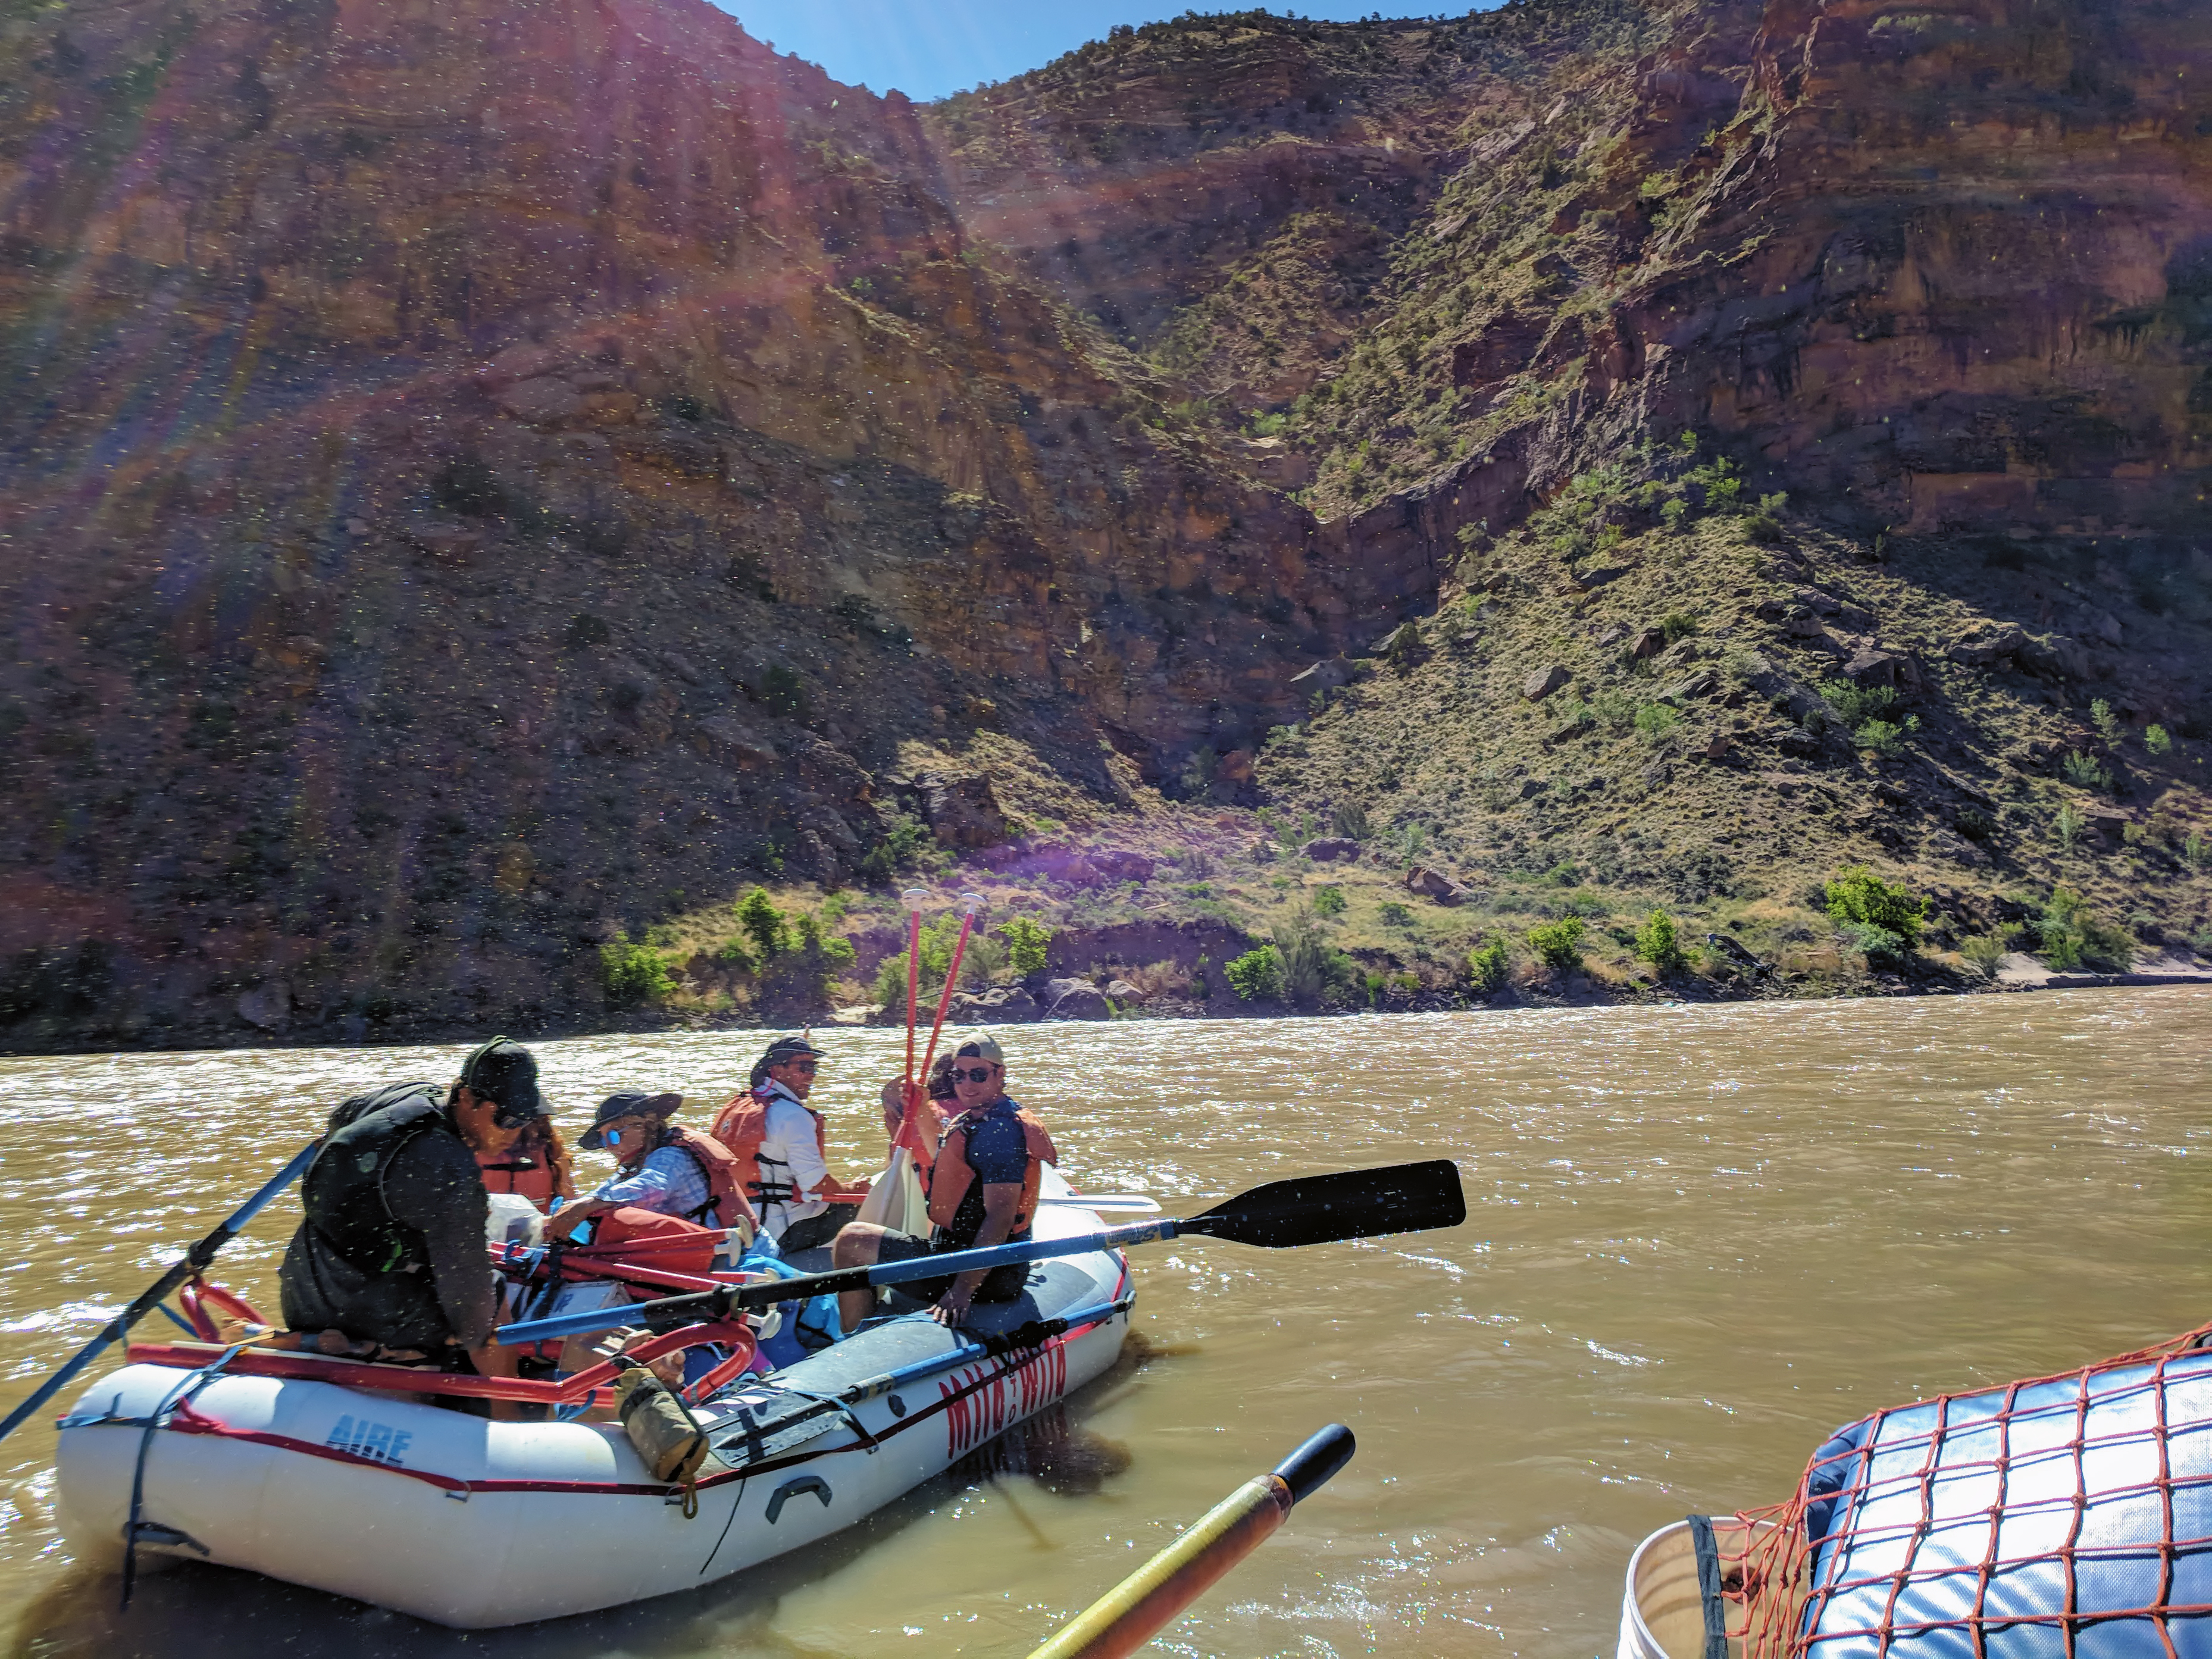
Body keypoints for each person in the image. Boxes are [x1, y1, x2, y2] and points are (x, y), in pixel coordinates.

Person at [279, 1036, 543, 1386]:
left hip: (299, 1285)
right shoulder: (450, 1171)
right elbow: (472, 1305)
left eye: (525, 1118)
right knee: (491, 1293)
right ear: (466, 1098)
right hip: (357, 1309)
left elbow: (340, 1119)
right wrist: (472, 1331)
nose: (516, 1132)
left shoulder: (407, 1096)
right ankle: (507, 1411)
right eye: (507, 1118)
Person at [831, 1035, 1056, 1333]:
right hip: (963, 1255)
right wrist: (922, 1107)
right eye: (958, 1075)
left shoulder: (1000, 1132)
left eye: (978, 1075)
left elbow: (1000, 1216)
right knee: (864, 1238)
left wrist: (962, 1290)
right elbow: (948, 1163)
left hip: (988, 1276)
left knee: (852, 1240)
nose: (967, 1083)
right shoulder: (978, 1118)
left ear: (1000, 1074)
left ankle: (852, 1339)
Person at [709, 1035, 858, 1253]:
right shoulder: (792, 1115)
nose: (811, 1075)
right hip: (779, 1233)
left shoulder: (735, 1107)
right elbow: (815, 1185)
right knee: (865, 1203)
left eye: (814, 1068)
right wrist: (854, 1189)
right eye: (804, 1067)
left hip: (735, 1225)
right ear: (777, 1070)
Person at [546, 1092, 753, 1244]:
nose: (609, 1146)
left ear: (647, 1124)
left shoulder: (673, 1156)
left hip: (736, 1255)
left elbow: (653, 1187)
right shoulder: (633, 1166)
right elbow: (600, 1194)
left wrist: (587, 1205)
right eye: (603, 1139)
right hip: (699, 1251)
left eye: (614, 1135)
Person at [476, 1114, 575, 1207]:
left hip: (490, 1222)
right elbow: (570, 1204)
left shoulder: (474, 1151)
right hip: (540, 1223)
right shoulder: (553, 1152)